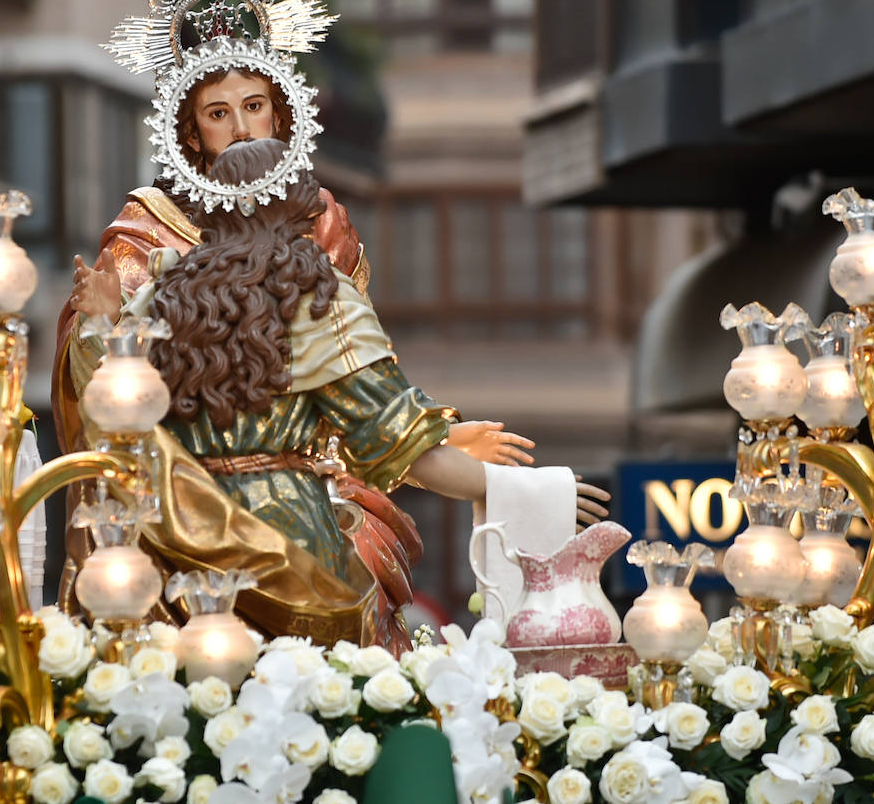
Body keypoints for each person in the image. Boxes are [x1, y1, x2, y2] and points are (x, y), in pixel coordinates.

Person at [70, 138, 610, 648]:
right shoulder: (318, 293)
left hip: (171, 540)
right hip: (283, 541)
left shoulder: (167, 291)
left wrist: (99, 322)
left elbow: (113, 411)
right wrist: (523, 490)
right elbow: (400, 444)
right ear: (304, 208)